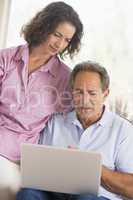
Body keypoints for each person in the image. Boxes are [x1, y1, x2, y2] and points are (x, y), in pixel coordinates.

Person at [0, 2, 83, 200]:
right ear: (43, 26)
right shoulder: (7, 58)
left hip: (19, 157)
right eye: (56, 34)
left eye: (66, 40)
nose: (59, 44)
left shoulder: (64, 78)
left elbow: (80, 116)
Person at [17, 61, 133, 200]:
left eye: (92, 93)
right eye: (79, 92)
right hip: (56, 194)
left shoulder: (122, 130)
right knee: (28, 193)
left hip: (95, 198)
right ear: (71, 92)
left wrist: (91, 167)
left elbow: (130, 188)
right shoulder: (56, 122)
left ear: (105, 93)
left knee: (85, 198)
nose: (84, 100)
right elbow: (38, 168)